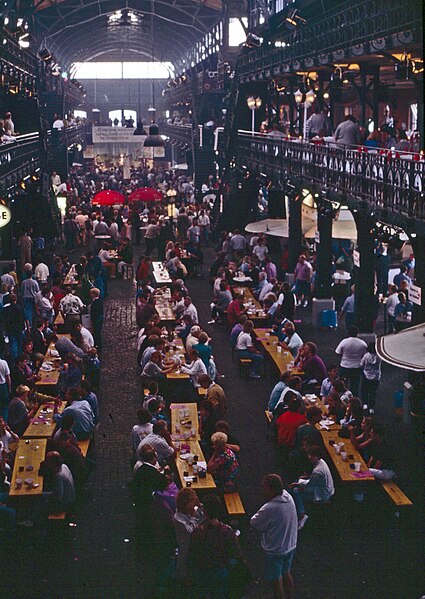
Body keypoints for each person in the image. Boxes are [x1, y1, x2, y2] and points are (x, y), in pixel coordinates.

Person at [250, 474, 298, 599]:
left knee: (276, 581)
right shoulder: (288, 497)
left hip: (276, 550)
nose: (262, 490)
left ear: (271, 489)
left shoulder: (270, 508)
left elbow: (254, 522)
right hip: (290, 545)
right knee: (286, 573)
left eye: (264, 487)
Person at [188, 493, 244, 598]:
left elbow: (192, 554)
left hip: (202, 571)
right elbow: (236, 552)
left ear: (205, 511)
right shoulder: (227, 530)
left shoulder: (197, 532)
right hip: (220, 570)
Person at [290, 446, 335, 530]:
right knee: (299, 481)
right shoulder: (321, 462)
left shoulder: (317, 471)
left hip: (323, 494)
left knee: (296, 491)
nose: (310, 457)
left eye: (312, 455)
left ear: (317, 456)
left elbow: (309, 485)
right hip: (324, 487)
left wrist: (297, 484)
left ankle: (302, 515)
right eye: (309, 454)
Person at [173, 488, 205, 581]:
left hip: (194, 546)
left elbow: (203, 516)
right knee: (184, 570)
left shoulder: (192, 511)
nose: (194, 504)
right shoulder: (178, 518)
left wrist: (199, 506)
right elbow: (191, 530)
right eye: (192, 501)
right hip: (186, 547)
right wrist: (194, 516)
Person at [335, 326, 367, 396]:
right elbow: (364, 355)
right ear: (357, 333)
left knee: (342, 386)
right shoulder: (362, 343)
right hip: (356, 367)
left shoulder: (344, 342)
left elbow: (338, 352)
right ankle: (354, 402)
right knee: (355, 387)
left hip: (344, 366)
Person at [360, 342, 382, 414]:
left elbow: (361, 364)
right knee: (373, 392)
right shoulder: (379, 356)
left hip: (366, 375)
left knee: (364, 390)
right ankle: (371, 407)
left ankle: (365, 404)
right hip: (376, 376)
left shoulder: (366, 356)